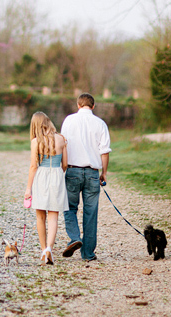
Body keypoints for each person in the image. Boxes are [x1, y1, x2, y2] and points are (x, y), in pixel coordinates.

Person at [60, 93, 111, 261]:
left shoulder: (68, 120)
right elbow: (104, 151)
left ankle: (75, 238)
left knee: (69, 207)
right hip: (92, 173)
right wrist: (103, 172)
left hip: (72, 171)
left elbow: (62, 145)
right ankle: (88, 254)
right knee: (91, 213)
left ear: (78, 105)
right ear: (93, 106)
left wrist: (63, 168)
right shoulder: (100, 123)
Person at [24, 111, 69, 265]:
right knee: (53, 216)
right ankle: (50, 248)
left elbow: (33, 166)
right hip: (56, 175)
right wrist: (56, 172)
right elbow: (65, 165)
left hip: (41, 176)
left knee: (40, 216)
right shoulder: (61, 139)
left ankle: (43, 250)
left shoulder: (36, 142)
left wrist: (28, 189)